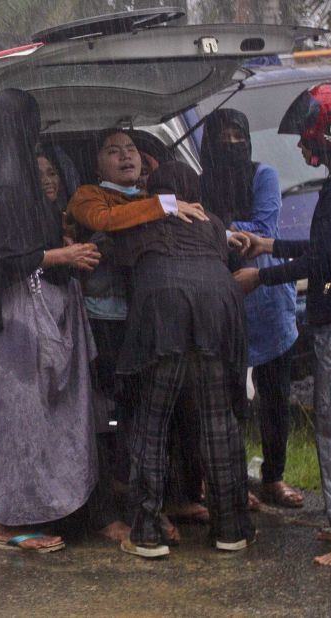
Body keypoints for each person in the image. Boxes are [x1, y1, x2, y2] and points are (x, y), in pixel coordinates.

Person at [0, 89, 101, 552]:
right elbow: (4, 258)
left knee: (28, 416)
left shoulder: (11, 178)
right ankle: (6, 523)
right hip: (19, 312)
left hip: (30, 306)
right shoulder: (5, 184)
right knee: (19, 416)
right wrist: (62, 252)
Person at [105, 159, 256, 558]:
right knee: (218, 423)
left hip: (163, 315)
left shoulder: (140, 220)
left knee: (151, 422)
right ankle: (231, 528)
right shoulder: (212, 222)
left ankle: (148, 533)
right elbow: (229, 260)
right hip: (217, 313)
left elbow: (115, 259)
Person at [234, 81, 331, 567]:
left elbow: (322, 263)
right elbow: (325, 249)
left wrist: (261, 276)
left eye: (307, 136)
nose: (302, 145)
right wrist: (270, 247)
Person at [201, 108, 302, 508]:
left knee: (275, 397)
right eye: (223, 139)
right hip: (222, 301)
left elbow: (263, 228)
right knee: (227, 400)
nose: (231, 145)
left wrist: (221, 229)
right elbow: (199, 229)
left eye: (237, 138)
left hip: (267, 297)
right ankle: (230, 483)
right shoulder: (201, 184)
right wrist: (223, 232)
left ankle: (274, 477)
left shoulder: (265, 176)